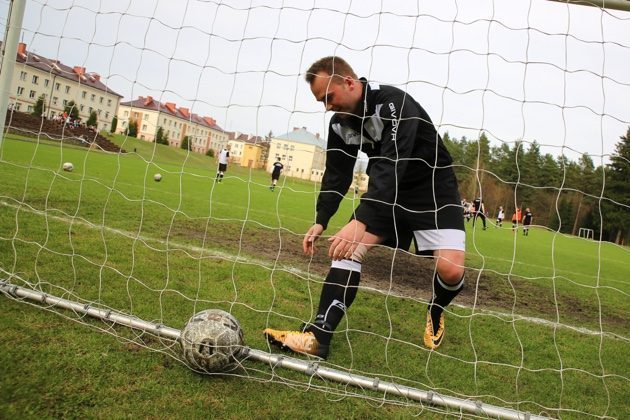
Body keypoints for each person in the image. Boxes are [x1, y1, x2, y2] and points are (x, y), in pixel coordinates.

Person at [263, 56, 466, 359]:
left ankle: (436, 309)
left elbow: (392, 162)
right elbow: (337, 174)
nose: (327, 107)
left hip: (433, 192)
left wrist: (361, 218)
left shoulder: (393, 104)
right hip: (388, 194)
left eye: (328, 97)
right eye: (321, 102)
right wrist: (322, 219)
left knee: (451, 270)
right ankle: (318, 338)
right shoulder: (339, 125)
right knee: (346, 247)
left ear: (348, 82)